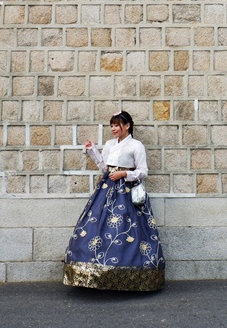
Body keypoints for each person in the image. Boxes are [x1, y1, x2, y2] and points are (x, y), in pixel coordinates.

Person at [63, 111, 165, 291]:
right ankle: (95, 272)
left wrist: (125, 173)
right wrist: (92, 150)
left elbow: (143, 171)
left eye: (117, 125)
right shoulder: (110, 144)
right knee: (95, 225)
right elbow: (104, 167)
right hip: (107, 189)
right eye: (112, 125)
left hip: (126, 191)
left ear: (127, 126)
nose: (114, 129)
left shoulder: (136, 145)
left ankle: (133, 275)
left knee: (128, 229)